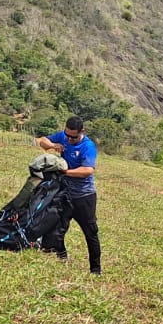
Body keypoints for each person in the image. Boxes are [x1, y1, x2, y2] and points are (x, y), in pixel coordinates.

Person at [35, 116, 101, 274]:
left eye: (73, 137)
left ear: (82, 131)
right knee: (57, 227)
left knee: (90, 233)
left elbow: (87, 170)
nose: (69, 139)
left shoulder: (88, 146)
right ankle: (61, 257)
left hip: (84, 196)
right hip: (64, 193)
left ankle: (95, 270)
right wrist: (53, 145)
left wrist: (64, 172)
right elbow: (42, 141)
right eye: (67, 136)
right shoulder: (63, 136)